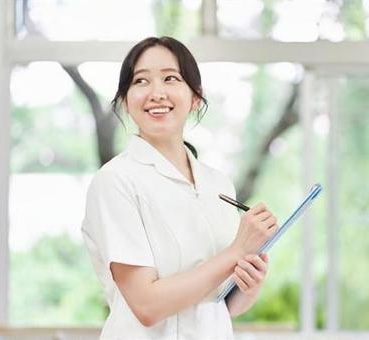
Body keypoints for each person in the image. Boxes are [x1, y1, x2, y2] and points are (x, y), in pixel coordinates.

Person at [81, 36, 279, 339]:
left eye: (171, 78)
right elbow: (146, 305)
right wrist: (236, 251)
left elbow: (221, 306)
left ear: (195, 97)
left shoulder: (218, 184)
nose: (156, 93)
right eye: (141, 81)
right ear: (124, 100)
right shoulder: (115, 181)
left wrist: (248, 283)